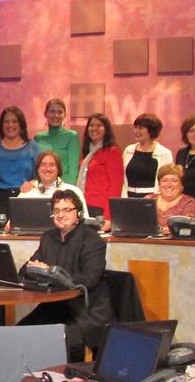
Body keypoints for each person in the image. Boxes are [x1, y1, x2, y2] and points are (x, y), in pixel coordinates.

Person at [19, 189, 113, 362]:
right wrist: (33, 268)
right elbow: (24, 270)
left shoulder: (93, 241)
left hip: (84, 311)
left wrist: (52, 274)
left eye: (66, 210)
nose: (61, 215)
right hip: (53, 307)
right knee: (19, 332)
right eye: (56, 211)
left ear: (79, 213)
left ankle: (68, 377)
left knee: (63, 340)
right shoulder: (48, 237)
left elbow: (89, 279)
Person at [0, 105, 38, 215]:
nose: (10, 125)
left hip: (25, 197)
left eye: (15, 122)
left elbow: (39, 174)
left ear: (21, 125)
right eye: (6, 122)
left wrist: (33, 183)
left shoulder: (33, 147)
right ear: (1, 125)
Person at [77, 113, 123, 222]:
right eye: (91, 125)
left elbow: (116, 186)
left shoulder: (112, 152)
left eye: (99, 125)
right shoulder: (88, 153)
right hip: (84, 204)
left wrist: (108, 216)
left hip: (101, 208)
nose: (94, 128)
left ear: (106, 130)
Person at [121, 113, 173, 198]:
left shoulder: (164, 153)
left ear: (151, 130)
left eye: (140, 128)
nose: (136, 131)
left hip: (153, 199)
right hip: (129, 198)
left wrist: (156, 197)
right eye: (135, 127)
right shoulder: (128, 150)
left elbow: (167, 181)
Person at [20, 151, 86, 208]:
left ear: (58, 169)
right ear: (37, 169)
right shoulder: (26, 194)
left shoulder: (74, 192)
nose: (48, 169)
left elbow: (84, 218)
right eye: (43, 165)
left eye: (52, 165)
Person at [34, 98, 80, 181]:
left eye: (60, 112)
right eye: (52, 111)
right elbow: (36, 167)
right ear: (45, 114)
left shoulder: (72, 136)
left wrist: (58, 186)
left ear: (64, 115)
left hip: (64, 185)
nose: (56, 115)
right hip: (42, 184)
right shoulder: (38, 137)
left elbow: (73, 173)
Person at [154, 163, 195, 232]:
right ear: (159, 185)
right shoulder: (149, 199)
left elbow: (185, 227)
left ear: (182, 186)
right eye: (165, 180)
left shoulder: (189, 202)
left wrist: (160, 230)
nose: (169, 185)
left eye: (174, 181)